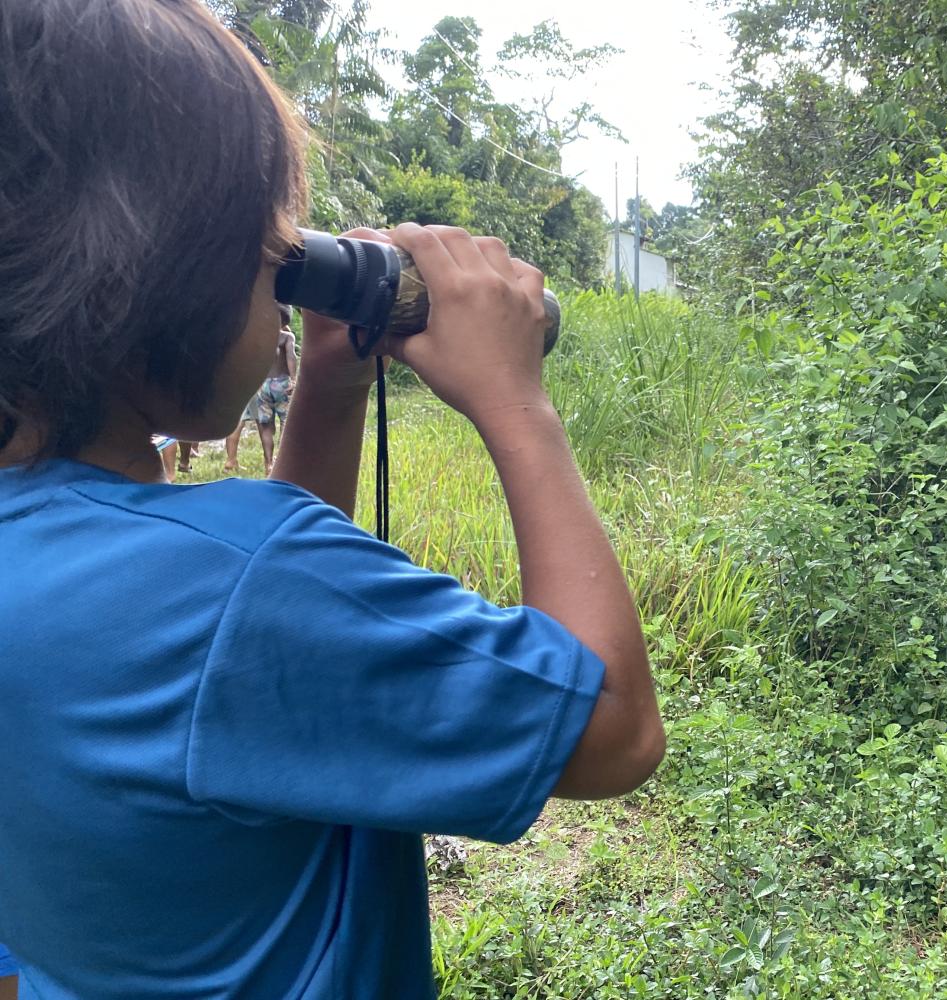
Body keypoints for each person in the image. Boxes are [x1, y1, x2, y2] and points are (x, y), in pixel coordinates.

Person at [0, 2, 664, 998]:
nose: (281, 288)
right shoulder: (235, 592)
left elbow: (249, 686)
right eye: (266, 254)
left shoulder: (106, 571)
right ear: (149, 278)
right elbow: (612, 730)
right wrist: (517, 405)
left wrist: (332, 382)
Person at [226, 304, 298, 473]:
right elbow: (291, 357)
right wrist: (294, 379)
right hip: (282, 383)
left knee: (266, 427)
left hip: (262, 385)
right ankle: (282, 463)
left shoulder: (256, 336)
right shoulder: (286, 337)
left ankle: (268, 464)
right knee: (285, 424)